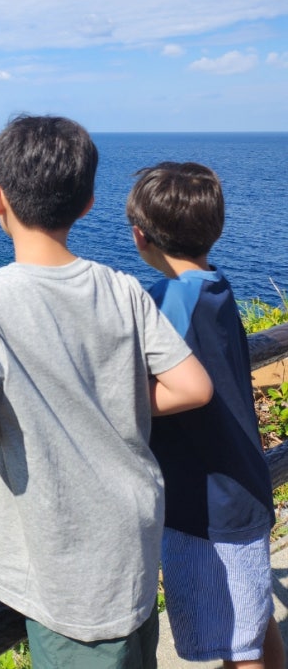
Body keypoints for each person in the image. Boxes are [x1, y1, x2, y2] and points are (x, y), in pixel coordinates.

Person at [0, 115, 213, 668]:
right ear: (86, 204)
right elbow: (193, 386)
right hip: (132, 530)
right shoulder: (123, 288)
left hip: (69, 552)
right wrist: (120, 403)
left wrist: (0, 424)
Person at [126, 161, 283, 669]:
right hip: (243, 483)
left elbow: (160, 384)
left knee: (238, 645)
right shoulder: (215, 284)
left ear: (139, 236)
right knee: (253, 622)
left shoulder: (165, 303)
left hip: (208, 503)